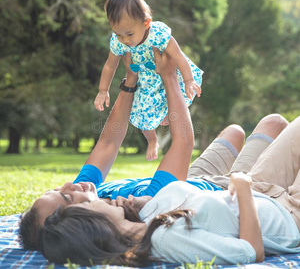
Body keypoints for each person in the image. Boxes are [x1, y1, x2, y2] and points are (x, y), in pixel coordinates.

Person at [19, 48, 218, 251]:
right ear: (77, 222)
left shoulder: (88, 193)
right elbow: (182, 143)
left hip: (194, 178)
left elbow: (108, 143)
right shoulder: (143, 208)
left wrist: (130, 79)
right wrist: (169, 77)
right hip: (217, 187)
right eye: (66, 197)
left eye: (56, 189)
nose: (69, 185)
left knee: (234, 133)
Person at [40, 114, 300, 267]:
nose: (107, 200)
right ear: (91, 223)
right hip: (288, 216)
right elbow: (251, 252)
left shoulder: (143, 220)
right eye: (75, 202)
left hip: (264, 194)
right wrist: (242, 189)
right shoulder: (165, 240)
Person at [94, 0, 203, 161]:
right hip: (146, 82)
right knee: (140, 113)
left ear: (146, 23)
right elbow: (110, 65)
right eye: (118, 34)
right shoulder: (118, 42)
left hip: (169, 76)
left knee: (179, 97)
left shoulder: (158, 34)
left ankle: (167, 113)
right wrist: (102, 90)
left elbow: (179, 57)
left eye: (129, 34)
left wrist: (189, 80)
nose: (125, 40)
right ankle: (152, 140)